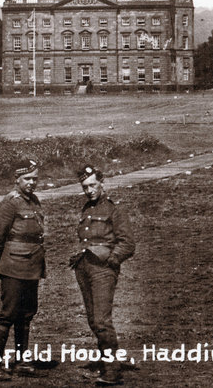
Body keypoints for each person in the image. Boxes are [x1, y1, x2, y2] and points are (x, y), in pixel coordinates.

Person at [69, 165, 135, 385]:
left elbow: (127, 244)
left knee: (101, 320)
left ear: (102, 183)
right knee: (92, 319)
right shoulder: (86, 209)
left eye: (93, 185)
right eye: (85, 186)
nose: (89, 190)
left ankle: (112, 371)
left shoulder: (114, 210)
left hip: (103, 270)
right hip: (84, 268)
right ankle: (107, 363)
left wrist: (111, 261)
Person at [0, 159, 47, 381]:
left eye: (35, 178)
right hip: (13, 267)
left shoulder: (34, 201)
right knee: (8, 314)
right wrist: (3, 264)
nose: (32, 183)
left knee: (27, 313)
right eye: (27, 179)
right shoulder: (10, 203)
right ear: (17, 180)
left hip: (32, 266)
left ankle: (21, 360)